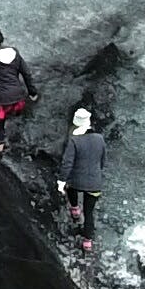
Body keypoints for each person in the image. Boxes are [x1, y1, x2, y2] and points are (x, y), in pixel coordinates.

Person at [57, 108, 106, 253]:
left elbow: (67, 163)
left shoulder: (74, 140)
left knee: (71, 188)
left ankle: (74, 209)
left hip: (77, 180)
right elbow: (103, 161)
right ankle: (87, 242)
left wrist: (61, 181)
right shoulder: (100, 139)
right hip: (94, 183)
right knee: (89, 213)